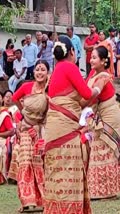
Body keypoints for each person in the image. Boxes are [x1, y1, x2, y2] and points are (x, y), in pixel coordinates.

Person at [44, 35, 109, 214]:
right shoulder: (69, 68)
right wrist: (100, 85)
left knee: (57, 171)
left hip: (55, 127)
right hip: (65, 128)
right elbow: (87, 94)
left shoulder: (56, 71)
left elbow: (77, 102)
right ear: (72, 52)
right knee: (67, 172)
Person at [12, 60, 49, 212]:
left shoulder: (50, 88)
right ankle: (27, 201)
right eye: (37, 69)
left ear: (48, 72)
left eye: (43, 70)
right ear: (33, 72)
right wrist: (24, 116)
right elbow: (15, 98)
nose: (40, 72)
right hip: (27, 129)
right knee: (25, 162)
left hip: (43, 130)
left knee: (41, 163)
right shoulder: (27, 87)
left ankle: (42, 200)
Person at [85, 46, 120, 199]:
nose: (91, 60)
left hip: (110, 116)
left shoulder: (104, 76)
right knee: (97, 148)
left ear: (104, 60)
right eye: (91, 57)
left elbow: (94, 92)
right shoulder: (93, 74)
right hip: (99, 114)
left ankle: (109, 191)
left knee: (107, 149)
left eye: (94, 57)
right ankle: (99, 190)